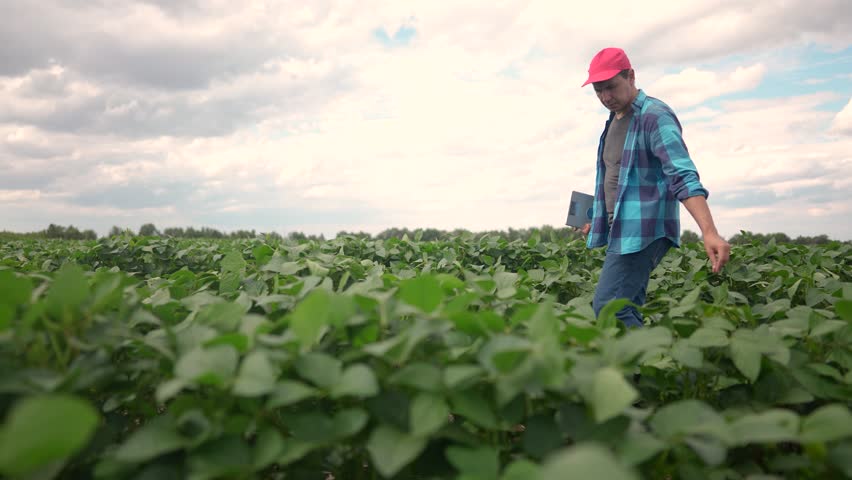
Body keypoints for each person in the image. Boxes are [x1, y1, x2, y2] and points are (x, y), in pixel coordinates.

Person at [578, 47, 731, 328]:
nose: (605, 97)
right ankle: (647, 365)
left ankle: (642, 367)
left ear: (631, 76)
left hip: (645, 231)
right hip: (622, 229)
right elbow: (614, 179)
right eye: (598, 91)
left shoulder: (654, 116)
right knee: (626, 306)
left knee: (610, 308)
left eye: (611, 87)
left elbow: (682, 174)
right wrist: (595, 219)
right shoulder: (613, 121)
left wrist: (709, 232)